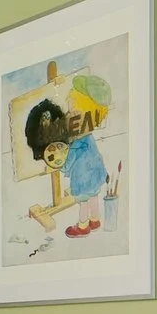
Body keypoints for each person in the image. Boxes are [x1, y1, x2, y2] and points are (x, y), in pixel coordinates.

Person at [23, 92, 111, 238]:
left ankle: (83, 226)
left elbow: (68, 162)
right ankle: (95, 220)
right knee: (94, 195)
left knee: (83, 201)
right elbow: (95, 154)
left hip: (83, 178)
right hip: (96, 172)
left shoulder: (73, 143)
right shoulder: (88, 135)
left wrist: (59, 166)